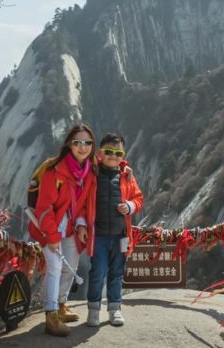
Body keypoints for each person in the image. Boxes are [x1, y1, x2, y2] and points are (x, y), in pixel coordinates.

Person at [28, 124, 97, 337]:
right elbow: (44, 208)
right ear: (69, 144)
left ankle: (61, 304)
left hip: (72, 228)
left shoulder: (88, 171)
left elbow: (84, 203)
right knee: (55, 268)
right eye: (78, 142)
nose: (83, 147)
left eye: (87, 143)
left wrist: (83, 224)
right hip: (50, 229)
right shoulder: (54, 170)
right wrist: (52, 236)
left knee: (71, 266)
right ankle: (51, 316)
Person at [87, 132, 144, 327]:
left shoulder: (126, 176)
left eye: (118, 153)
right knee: (98, 271)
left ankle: (114, 309)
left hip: (121, 235)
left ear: (123, 154)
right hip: (99, 235)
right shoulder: (92, 173)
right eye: (109, 151)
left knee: (117, 273)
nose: (113, 156)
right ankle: (94, 309)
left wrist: (130, 206)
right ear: (100, 152)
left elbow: (139, 198)